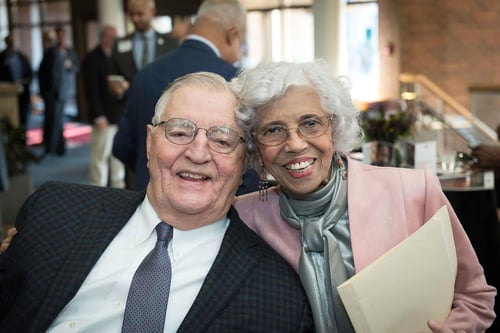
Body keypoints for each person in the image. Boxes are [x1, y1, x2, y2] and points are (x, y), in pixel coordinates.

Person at [0, 72, 314, 332]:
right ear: (150, 144)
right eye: (179, 132)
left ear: (244, 161)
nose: (198, 153)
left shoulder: (278, 297)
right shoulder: (55, 211)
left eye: (221, 140)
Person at [232, 60, 496, 333]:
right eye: (272, 130)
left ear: (334, 130)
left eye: (310, 123)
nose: (295, 144)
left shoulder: (413, 191)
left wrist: (453, 329)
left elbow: (475, 297)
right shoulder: (244, 219)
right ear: (255, 146)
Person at [112, 0, 259, 194]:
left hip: (150, 200)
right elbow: (248, 164)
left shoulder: (146, 74)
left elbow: (122, 145)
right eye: (241, 43)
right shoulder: (236, 82)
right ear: (233, 35)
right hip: (216, 209)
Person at [108, 0, 178, 189]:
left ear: (152, 12)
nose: (135, 19)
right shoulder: (120, 44)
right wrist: (117, 91)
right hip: (133, 116)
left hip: (165, 117)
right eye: (132, 14)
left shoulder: (171, 44)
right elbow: (113, 78)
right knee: (134, 172)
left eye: (140, 14)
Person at [82, 25, 125, 188]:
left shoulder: (117, 57)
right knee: (99, 158)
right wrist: (98, 115)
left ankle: (119, 192)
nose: (115, 41)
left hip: (118, 117)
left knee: (117, 159)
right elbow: (91, 90)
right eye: (112, 37)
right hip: (103, 118)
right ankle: (97, 192)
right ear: (104, 38)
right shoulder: (92, 58)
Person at [38, 26, 79, 156]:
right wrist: (44, 91)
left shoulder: (69, 51)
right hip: (51, 92)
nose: (61, 38)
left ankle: (58, 147)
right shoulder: (51, 52)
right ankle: (52, 147)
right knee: (52, 118)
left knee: (58, 119)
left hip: (64, 90)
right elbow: (42, 72)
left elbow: (76, 67)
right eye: (59, 36)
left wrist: (70, 65)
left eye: (63, 36)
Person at [0, 33, 34, 129]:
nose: (11, 44)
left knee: (23, 116)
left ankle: (22, 137)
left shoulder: (22, 57)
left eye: (12, 41)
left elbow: (29, 73)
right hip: (7, 93)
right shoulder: (2, 58)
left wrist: (26, 81)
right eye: (9, 41)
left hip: (23, 91)